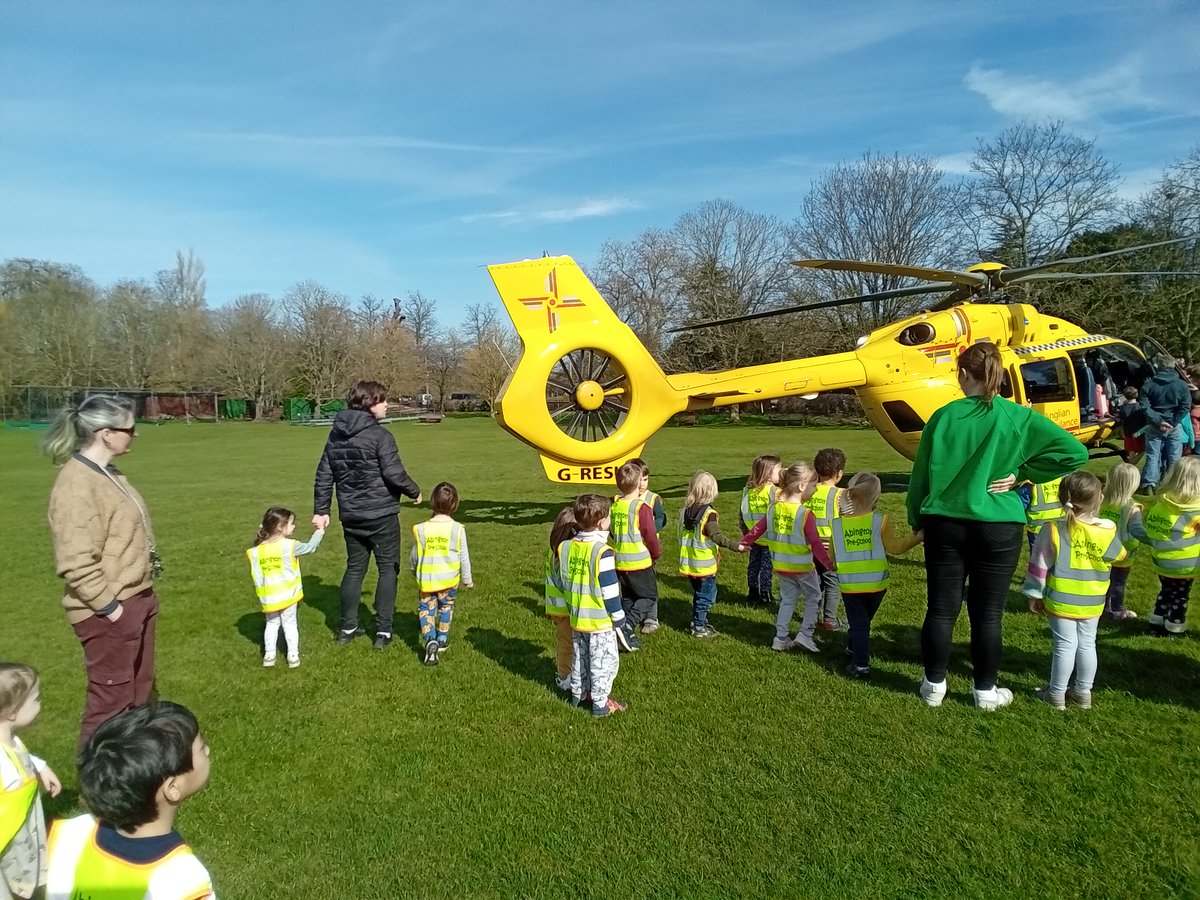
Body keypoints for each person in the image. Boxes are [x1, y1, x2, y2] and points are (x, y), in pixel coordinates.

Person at [907, 342, 1087, 711]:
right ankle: (985, 691)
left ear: (961, 375)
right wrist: (1023, 474)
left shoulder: (943, 416)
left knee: (941, 608)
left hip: (944, 522)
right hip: (999, 524)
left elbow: (919, 476)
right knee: (987, 612)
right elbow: (1075, 452)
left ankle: (933, 686)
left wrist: (916, 519)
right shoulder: (1018, 416)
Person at [43, 394, 162, 749]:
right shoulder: (76, 484)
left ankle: (133, 775)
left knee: (139, 695)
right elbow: (76, 562)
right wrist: (113, 611)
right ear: (105, 434)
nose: (135, 434)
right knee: (109, 705)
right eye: (130, 428)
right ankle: (97, 793)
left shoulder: (109, 473)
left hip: (137, 597)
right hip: (108, 611)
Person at [46, 701, 214, 900]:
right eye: (202, 748)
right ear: (173, 788)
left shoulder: (70, 835)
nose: (208, 751)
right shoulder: (184, 880)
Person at [313, 380, 422, 651]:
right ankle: (383, 631)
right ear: (371, 403)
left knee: (355, 569)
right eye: (383, 400)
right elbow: (393, 473)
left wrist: (321, 510)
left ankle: (347, 627)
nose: (387, 405)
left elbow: (324, 475)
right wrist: (415, 492)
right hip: (381, 515)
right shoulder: (380, 436)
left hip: (351, 516)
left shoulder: (335, 435)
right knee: (388, 570)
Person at [1022, 472, 1125, 710]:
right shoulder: (1107, 530)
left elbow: (1038, 565)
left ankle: (1056, 695)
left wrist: (1034, 594)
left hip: (1061, 599)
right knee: (1088, 643)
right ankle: (1083, 693)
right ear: (1099, 499)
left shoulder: (1053, 529)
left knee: (1065, 645)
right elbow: (1120, 556)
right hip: (1093, 600)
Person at [828, 473, 923, 679]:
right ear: (876, 498)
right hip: (877, 585)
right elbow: (896, 548)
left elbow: (831, 558)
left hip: (851, 586)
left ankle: (859, 663)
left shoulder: (836, 526)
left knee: (859, 623)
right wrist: (916, 538)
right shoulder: (881, 521)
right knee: (862, 621)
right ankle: (855, 653)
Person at [742, 462, 834, 654]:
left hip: (781, 566)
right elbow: (816, 544)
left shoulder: (773, 508)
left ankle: (780, 638)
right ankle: (806, 635)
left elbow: (759, 528)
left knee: (787, 601)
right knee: (814, 598)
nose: (816, 489)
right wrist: (828, 564)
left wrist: (745, 542)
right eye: (814, 485)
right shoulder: (805, 514)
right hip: (802, 567)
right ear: (801, 486)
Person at [557, 494, 628, 717]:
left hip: (577, 616)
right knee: (603, 663)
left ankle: (579, 695)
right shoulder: (602, 552)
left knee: (581, 658)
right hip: (600, 620)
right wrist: (618, 617)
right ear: (601, 522)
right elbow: (610, 590)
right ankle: (600, 703)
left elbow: (562, 580)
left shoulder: (565, 547)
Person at [1, 664, 61, 900]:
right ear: (13, 712)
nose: (40, 704)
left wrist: (41, 766)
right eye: (35, 699)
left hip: (27, 835)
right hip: (11, 845)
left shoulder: (11, 741)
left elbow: (23, 756)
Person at [1127, 456, 1200, 634]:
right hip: (1184, 564)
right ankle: (1174, 625)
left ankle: (1157, 619)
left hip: (1161, 561)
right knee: (1180, 597)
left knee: (1167, 591)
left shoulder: (1162, 503)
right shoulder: (1195, 511)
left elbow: (1153, 529)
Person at [246, 506, 325, 669]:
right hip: (289, 595)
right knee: (289, 624)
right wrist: (320, 532)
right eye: (291, 524)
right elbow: (311, 547)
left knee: (272, 624)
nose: (294, 526)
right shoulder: (290, 546)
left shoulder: (256, 551)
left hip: (269, 597)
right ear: (281, 528)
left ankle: (269, 656)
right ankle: (293, 656)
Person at [678, 471, 747, 638]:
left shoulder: (685, 511)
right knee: (705, 596)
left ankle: (699, 620)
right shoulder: (709, 515)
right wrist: (736, 546)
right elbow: (716, 537)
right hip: (705, 565)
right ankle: (699, 627)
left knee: (702, 594)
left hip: (689, 563)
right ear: (712, 491)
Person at [411, 482, 473, 666]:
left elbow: (415, 554)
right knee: (446, 607)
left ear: (432, 502)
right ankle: (442, 638)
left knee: (426, 610)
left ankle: (430, 638)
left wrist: (413, 569)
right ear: (454, 505)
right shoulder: (457, 529)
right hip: (448, 580)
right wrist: (467, 579)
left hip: (427, 580)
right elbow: (464, 557)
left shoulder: (421, 529)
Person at [610, 462, 659, 642]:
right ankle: (627, 623)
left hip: (620, 561)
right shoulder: (641, 507)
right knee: (649, 596)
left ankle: (623, 628)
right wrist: (655, 553)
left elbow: (613, 532)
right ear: (639, 483)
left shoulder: (615, 506)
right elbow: (650, 535)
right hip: (640, 562)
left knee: (629, 597)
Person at [807, 448, 848, 630]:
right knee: (832, 582)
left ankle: (812, 617)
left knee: (815, 583)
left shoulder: (808, 492)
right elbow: (847, 520)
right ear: (839, 474)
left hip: (809, 546)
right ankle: (829, 620)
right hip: (831, 548)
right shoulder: (841, 495)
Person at [1139, 354, 1191, 493]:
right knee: (1174, 456)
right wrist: (1173, 422)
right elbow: (1185, 406)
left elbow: (1144, 405)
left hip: (1154, 425)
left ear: (1157, 366)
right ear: (1173, 366)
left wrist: (1158, 421)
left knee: (1153, 455)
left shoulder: (1149, 384)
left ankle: (1149, 483)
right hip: (1173, 425)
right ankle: (1172, 484)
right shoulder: (1181, 385)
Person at [1099, 463, 1142, 621]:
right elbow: (1137, 530)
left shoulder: (1101, 499)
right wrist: (1153, 539)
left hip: (1101, 550)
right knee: (1118, 583)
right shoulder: (1132, 507)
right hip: (1123, 554)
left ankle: (1101, 608)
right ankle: (1116, 610)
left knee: (1103, 581)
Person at [629, 458, 666, 630]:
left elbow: (661, 518)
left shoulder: (652, 498)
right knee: (630, 585)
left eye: (646, 479)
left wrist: (649, 530)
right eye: (639, 479)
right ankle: (630, 615)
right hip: (629, 551)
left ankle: (651, 618)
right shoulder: (624, 500)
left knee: (649, 584)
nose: (642, 484)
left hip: (649, 549)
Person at [544, 507, 579, 692]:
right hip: (564, 608)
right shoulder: (561, 555)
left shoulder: (554, 551)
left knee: (570, 642)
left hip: (559, 608)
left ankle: (571, 671)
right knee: (567, 643)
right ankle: (564, 677)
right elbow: (564, 583)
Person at [740, 454, 781, 604]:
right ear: (769, 474)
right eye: (779, 470)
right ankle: (765, 593)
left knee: (754, 564)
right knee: (766, 566)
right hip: (769, 536)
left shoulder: (750, 491)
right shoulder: (775, 492)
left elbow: (742, 511)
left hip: (753, 535)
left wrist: (745, 532)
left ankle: (752, 590)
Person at [1021, 477, 1064, 551]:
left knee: (1039, 559)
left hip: (1038, 528)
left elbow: (1021, 506)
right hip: (1062, 527)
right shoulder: (1064, 478)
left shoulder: (1030, 483)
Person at [1115, 386, 1145, 464]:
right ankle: (1132, 465)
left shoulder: (1122, 408)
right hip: (1138, 432)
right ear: (1137, 394)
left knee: (1131, 451)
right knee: (1144, 449)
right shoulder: (1139, 406)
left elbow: (1119, 419)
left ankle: (1131, 464)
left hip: (1127, 432)